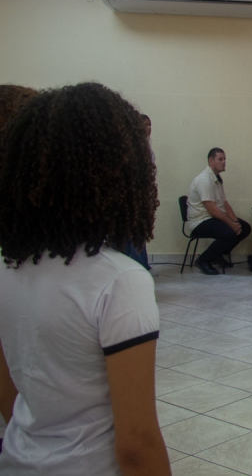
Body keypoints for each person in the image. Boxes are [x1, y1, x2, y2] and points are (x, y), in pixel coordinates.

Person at [0, 82, 170, 475]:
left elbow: (8, 392)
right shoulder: (120, 281)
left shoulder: (9, 266)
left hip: (18, 459)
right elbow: (137, 443)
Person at [186, 147, 252, 274]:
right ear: (211, 161)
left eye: (224, 159)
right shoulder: (204, 180)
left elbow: (224, 204)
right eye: (220, 159)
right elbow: (212, 210)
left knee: (245, 228)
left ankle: (217, 254)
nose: (224, 162)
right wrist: (231, 225)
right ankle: (203, 260)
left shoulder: (217, 178)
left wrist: (235, 222)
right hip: (199, 221)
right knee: (229, 233)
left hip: (211, 218)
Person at [125, 114, 156, 273]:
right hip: (133, 195)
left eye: (149, 125)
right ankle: (137, 268)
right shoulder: (132, 147)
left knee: (139, 233)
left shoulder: (147, 147)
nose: (148, 128)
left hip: (143, 194)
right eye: (145, 124)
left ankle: (142, 266)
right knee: (133, 233)